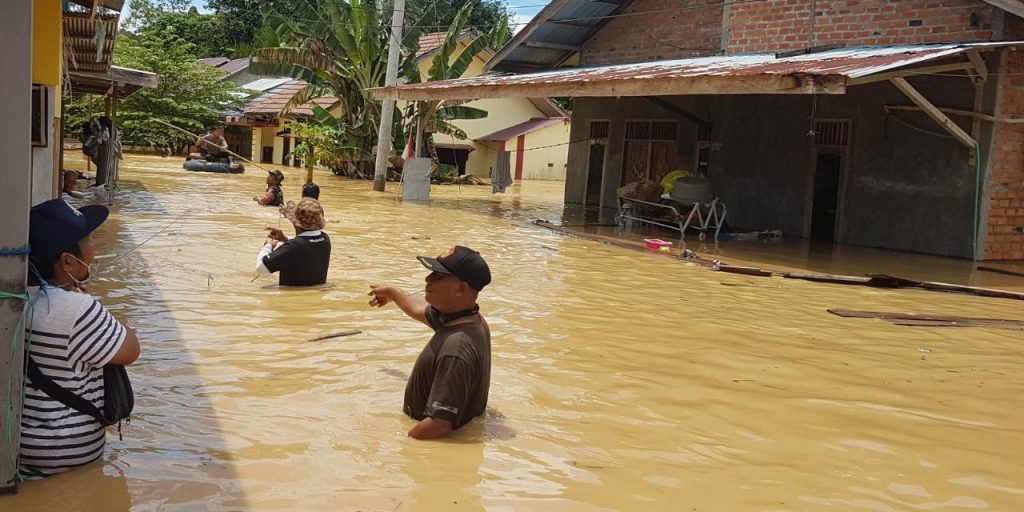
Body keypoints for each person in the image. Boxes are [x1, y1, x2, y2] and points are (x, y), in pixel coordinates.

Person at [20, 199, 141, 478]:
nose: (94, 252)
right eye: (89, 240)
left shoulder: (18, 297)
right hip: (66, 453)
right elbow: (130, 350)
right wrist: (94, 305)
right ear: (67, 261)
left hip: (22, 443)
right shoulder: (78, 309)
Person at [367, 246, 491, 440]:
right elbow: (418, 308)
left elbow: (439, 424)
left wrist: (397, 447)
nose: (428, 279)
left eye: (438, 276)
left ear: (460, 289)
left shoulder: (456, 348)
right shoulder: (465, 319)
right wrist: (393, 293)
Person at [256, 197, 331, 286]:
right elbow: (306, 244)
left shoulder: (292, 247)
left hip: (289, 298)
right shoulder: (325, 239)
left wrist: (267, 246)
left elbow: (261, 268)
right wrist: (285, 239)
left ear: (296, 222)